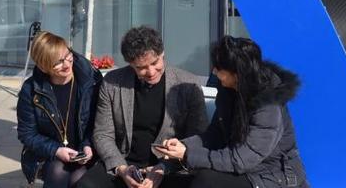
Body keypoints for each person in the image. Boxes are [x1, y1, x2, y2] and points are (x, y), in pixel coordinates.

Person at [157, 36, 310, 188]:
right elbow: (214, 135)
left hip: (273, 176)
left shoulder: (267, 106)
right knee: (169, 182)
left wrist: (188, 155)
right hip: (245, 169)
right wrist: (184, 146)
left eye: (219, 68)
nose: (214, 72)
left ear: (237, 73)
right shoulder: (229, 91)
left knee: (206, 181)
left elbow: (242, 159)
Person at [78, 26, 208, 188]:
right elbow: (103, 134)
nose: (151, 72)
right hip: (123, 162)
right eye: (141, 68)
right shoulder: (112, 83)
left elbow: (197, 137)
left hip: (171, 167)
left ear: (163, 54)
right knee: (86, 185)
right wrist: (121, 168)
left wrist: (164, 168)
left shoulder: (188, 84)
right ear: (130, 64)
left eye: (155, 63)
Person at [17, 32, 103, 187]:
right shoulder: (31, 89)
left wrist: (88, 144)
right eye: (58, 62)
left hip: (88, 151)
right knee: (57, 171)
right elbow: (27, 134)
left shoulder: (91, 81)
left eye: (68, 55)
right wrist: (56, 150)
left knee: (81, 178)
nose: (66, 64)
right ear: (43, 67)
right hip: (50, 153)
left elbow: (102, 121)